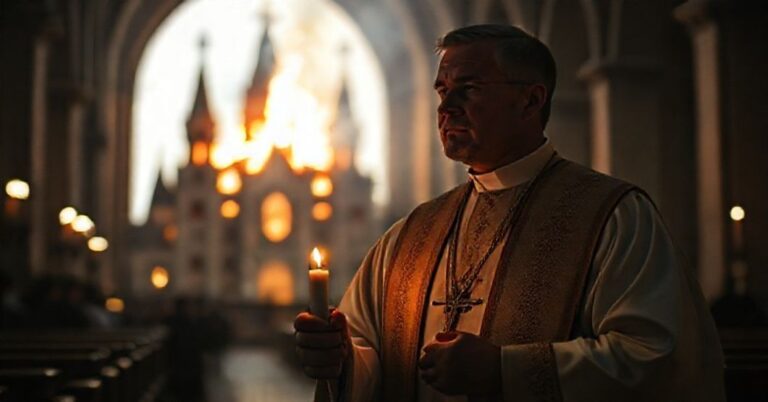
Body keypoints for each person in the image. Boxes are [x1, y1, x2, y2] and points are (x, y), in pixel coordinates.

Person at [294, 24, 725, 402]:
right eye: (443, 91)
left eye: (470, 88)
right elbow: (367, 349)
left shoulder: (612, 217)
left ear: (530, 100)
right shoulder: (411, 234)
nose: (447, 108)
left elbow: (655, 358)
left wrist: (504, 371)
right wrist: (343, 357)